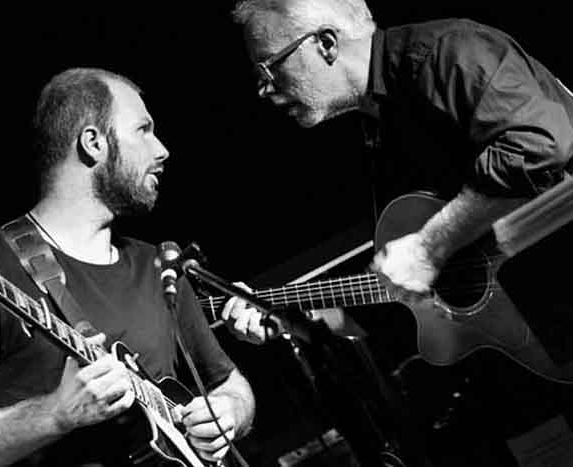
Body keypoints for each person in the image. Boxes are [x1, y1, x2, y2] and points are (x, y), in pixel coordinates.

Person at [222, 0, 573, 466]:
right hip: (540, 359)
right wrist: (288, 316)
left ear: (325, 44)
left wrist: (431, 245)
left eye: (268, 67)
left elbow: (539, 144)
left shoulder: (447, 51)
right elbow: (419, 284)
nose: (264, 89)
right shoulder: (378, 125)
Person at [0, 68, 256, 467]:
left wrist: (230, 413)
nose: (162, 149)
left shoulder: (159, 266)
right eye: (143, 130)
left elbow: (231, 384)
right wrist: (56, 414)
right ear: (93, 143)